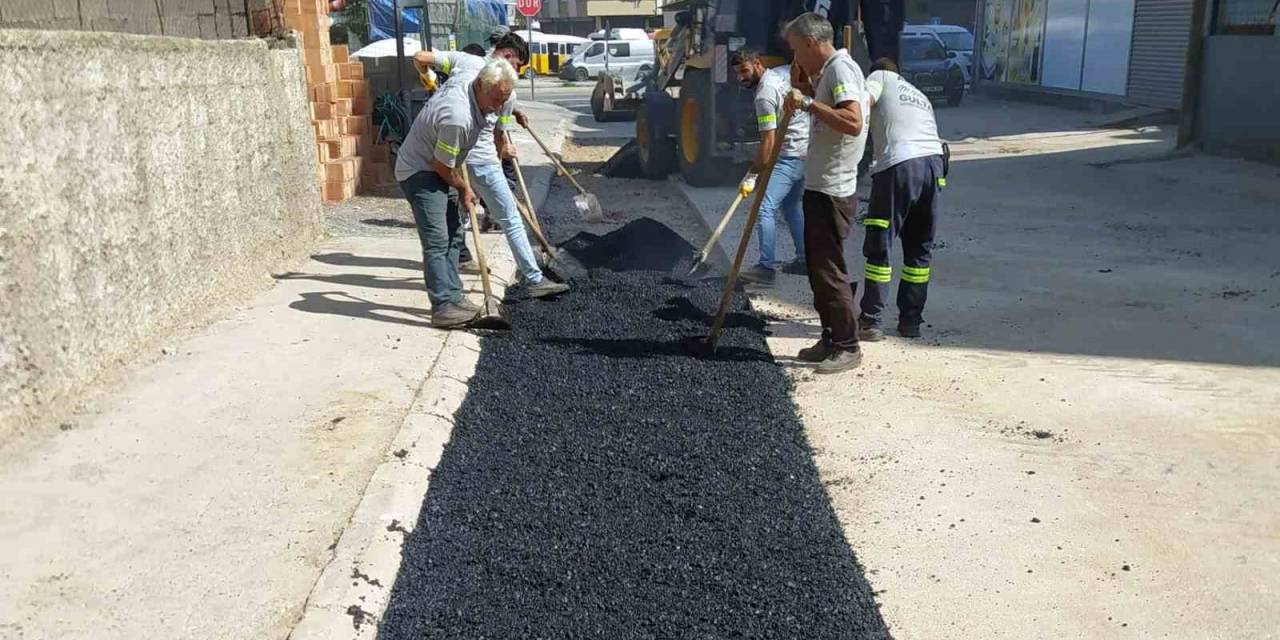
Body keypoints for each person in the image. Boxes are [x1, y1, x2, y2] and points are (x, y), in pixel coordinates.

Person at [415, 36, 569, 298]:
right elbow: (499, 134)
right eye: (517, 64)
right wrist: (501, 156)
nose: (517, 71)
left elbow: (420, 57)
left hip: (446, 148)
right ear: (508, 55)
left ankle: (462, 258)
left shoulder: (466, 61)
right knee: (509, 216)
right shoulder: (502, 88)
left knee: (460, 207)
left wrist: (428, 78)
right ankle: (533, 279)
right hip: (480, 157)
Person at [395, 59, 518, 328]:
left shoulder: (473, 81)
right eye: (497, 99)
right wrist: (464, 187)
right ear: (481, 87)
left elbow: (447, 163)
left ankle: (454, 295)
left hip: (441, 165)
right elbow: (441, 165)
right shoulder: (457, 117)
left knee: (454, 234)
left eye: (504, 100)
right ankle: (443, 306)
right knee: (438, 238)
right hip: (420, 170)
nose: (499, 107)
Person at [783, 12, 869, 374]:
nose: (795, 59)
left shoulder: (841, 70)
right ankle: (830, 337)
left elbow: (852, 121)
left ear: (810, 43)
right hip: (821, 186)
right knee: (818, 270)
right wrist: (803, 84)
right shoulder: (827, 73)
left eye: (795, 51)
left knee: (830, 269)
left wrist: (808, 104)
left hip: (833, 190)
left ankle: (847, 345)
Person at [858, 58, 946, 339]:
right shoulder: (918, 94)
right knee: (919, 249)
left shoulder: (880, 77)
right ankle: (910, 322)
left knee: (880, 245)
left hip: (900, 165)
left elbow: (861, 106)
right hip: (934, 165)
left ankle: (871, 321)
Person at [731, 48, 810, 286]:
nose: (741, 78)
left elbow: (768, 142)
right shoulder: (781, 73)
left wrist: (752, 175)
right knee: (791, 206)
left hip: (789, 156)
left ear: (757, 64)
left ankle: (765, 268)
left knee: (763, 208)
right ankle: (804, 259)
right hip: (804, 152)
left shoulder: (764, 96)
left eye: (744, 71)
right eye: (737, 73)